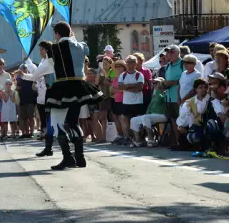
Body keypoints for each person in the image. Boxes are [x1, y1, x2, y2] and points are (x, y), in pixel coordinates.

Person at [27, 22, 103, 170]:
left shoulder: (54, 49)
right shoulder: (81, 46)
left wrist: (27, 72)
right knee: (73, 122)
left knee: (57, 124)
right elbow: (82, 50)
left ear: (57, 34)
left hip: (62, 87)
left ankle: (68, 157)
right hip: (79, 86)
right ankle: (80, 157)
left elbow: (39, 73)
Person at [26, 41, 55, 156]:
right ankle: (49, 147)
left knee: (52, 120)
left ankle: (53, 147)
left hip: (52, 93)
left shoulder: (49, 62)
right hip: (46, 93)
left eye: (42, 49)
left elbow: (35, 74)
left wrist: (23, 74)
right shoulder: (45, 61)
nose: (40, 52)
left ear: (47, 50)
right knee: (48, 120)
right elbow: (36, 76)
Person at [129, 78, 167, 147]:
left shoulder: (165, 92)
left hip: (162, 114)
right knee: (133, 119)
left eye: (156, 83)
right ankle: (138, 140)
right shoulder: (155, 93)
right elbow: (150, 105)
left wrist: (158, 89)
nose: (154, 84)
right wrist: (146, 113)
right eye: (153, 83)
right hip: (152, 115)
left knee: (145, 117)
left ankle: (151, 138)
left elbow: (159, 99)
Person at [117, 55, 145, 144]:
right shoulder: (123, 75)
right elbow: (120, 87)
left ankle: (140, 138)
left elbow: (139, 88)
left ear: (135, 64)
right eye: (128, 62)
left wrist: (127, 86)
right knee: (125, 120)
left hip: (138, 102)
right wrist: (133, 86)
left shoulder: (139, 75)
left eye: (132, 62)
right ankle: (128, 138)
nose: (129, 64)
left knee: (138, 121)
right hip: (126, 102)